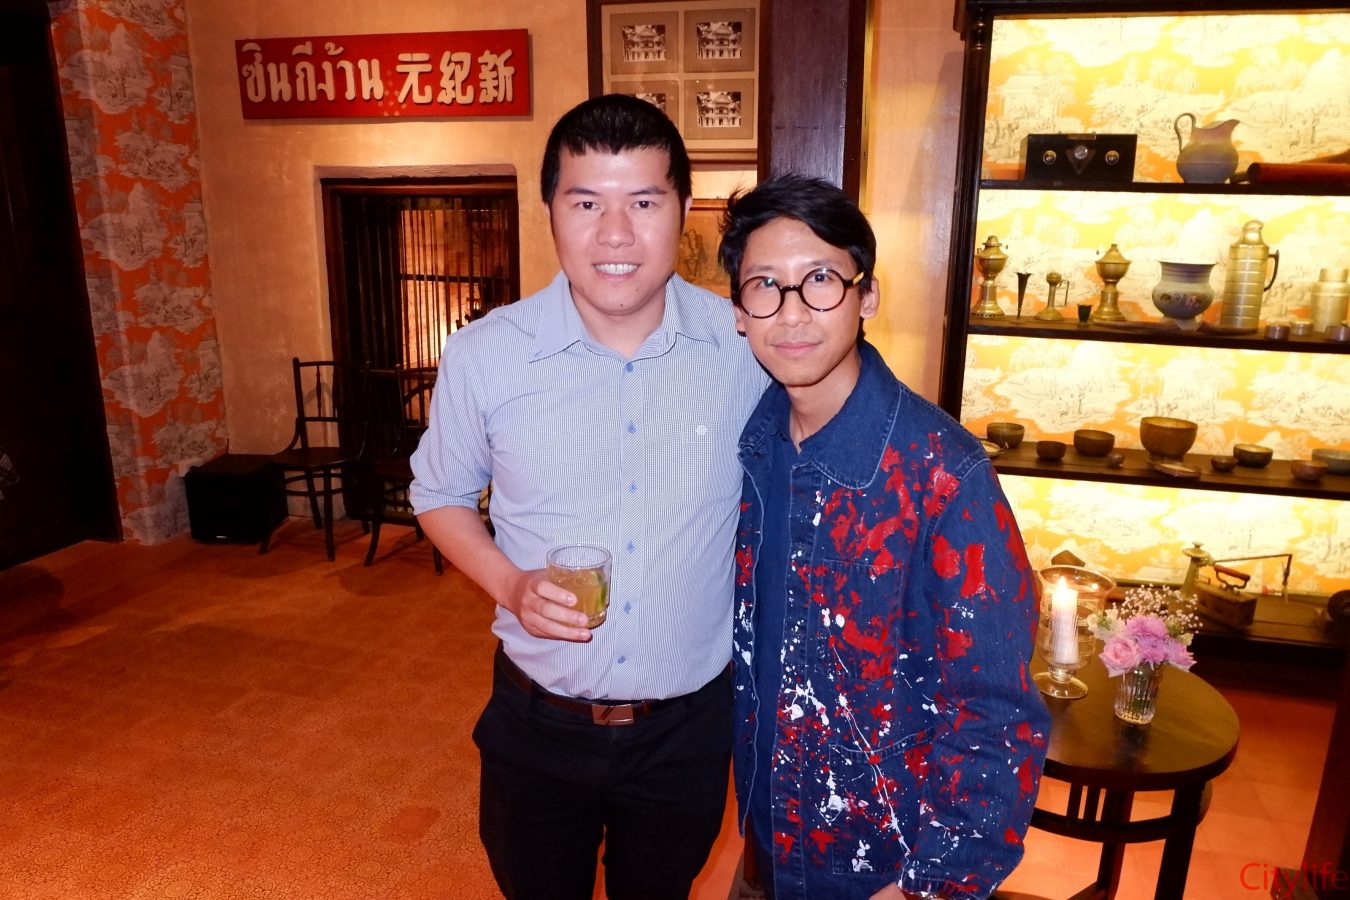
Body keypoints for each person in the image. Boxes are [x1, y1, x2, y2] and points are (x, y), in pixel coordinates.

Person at [409, 94, 768, 900]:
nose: (615, 234)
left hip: (685, 729)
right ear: (550, 212)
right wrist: (510, 584)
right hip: (538, 723)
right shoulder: (484, 355)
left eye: (643, 202)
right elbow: (439, 494)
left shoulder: (744, 347)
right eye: (585, 204)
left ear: (683, 209)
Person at [717, 174, 1050, 900]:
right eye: (765, 286)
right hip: (769, 841)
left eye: (820, 281)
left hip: (885, 871)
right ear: (739, 312)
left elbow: (997, 713)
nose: (792, 313)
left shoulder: (943, 474)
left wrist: (930, 884)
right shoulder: (756, 443)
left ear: (866, 296)